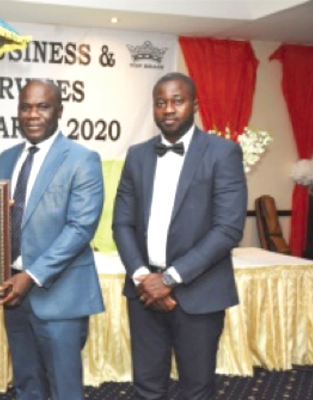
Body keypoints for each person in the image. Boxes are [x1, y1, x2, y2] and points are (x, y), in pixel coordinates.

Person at [112, 72, 247, 400]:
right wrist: (144, 278)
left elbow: (227, 229)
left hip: (199, 293)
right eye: (160, 103)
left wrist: (170, 278)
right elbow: (122, 223)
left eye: (177, 101)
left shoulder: (223, 152)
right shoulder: (137, 155)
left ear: (195, 105)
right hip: (144, 294)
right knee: (146, 387)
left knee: (196, 390)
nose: (168, 109)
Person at [0, 79, 105, 400]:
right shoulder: (6, 158)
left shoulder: (82, 159)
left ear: (59, 111)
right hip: (13, 291)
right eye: (25, 107)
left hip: (59, 295)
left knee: (63, 389)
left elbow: (80, 228)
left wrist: (32, 275)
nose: (32, 115)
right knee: (27, 385)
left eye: (42, 107)